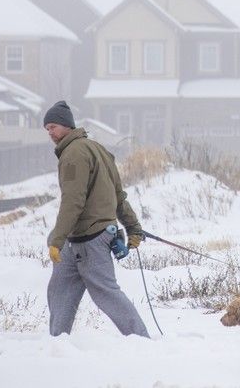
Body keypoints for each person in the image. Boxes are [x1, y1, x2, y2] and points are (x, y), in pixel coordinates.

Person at [43, 100, 149, 337]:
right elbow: (118, 195)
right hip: (79, 239)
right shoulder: (99, 149)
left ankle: (141, 340)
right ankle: (57, 343)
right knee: (60, 290)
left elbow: (73, 200)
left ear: (66, 125)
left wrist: (56, 240)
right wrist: (133, 228)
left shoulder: (72, 155)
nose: (49, 132)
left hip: (89, 239)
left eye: (53, 126)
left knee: (106, 292)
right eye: (46, 128)